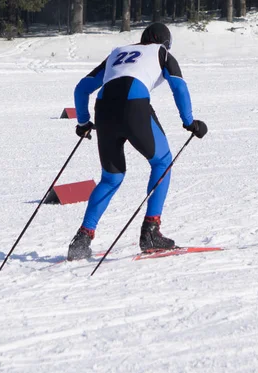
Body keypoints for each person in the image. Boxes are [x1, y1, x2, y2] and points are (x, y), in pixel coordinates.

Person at [67, 22, 208, 261]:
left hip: (104, 111)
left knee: (111, 178)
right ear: (164, 42)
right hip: (134, 107)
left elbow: (82, 88)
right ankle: (151, 232)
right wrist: (189, 121)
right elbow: (179, 87)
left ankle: (82, 239)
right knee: (162, 162)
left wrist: (83, 123)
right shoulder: (161, 52)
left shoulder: (117, 53)